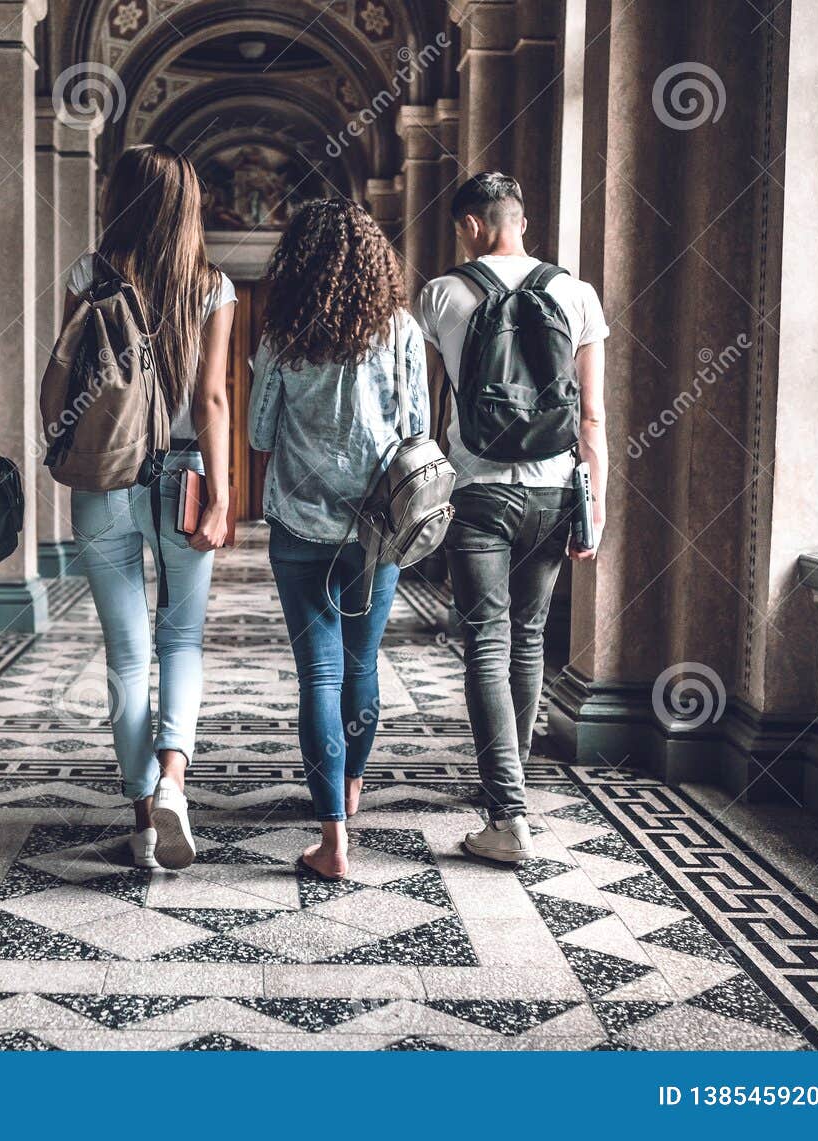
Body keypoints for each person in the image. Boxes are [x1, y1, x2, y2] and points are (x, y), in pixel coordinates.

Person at [416, 172, 610, 864]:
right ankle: (512, 787)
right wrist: (598, 506)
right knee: (528, 639)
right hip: (556, 489)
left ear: (471, 224)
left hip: (478, 492)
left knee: (487, 644)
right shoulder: (576, 293)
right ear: (521, 220)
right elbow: (592, 415)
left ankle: (508, 811)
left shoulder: (442, 294)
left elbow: (428, 406)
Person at [57, 145, 235, 871]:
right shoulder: (212, 285)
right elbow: (212, 398)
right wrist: (224, 496)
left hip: (104, 476)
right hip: (185, 472)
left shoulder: (86, 274)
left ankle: (140, 818)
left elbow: (69, 374)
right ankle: (174, 782)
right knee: (181, 640)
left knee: (127, 653)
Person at [250, 199, 428, 881]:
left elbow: (259, 434)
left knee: (318, 675)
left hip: (299, 526)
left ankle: (333, 836)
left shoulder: (282, 334)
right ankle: (350, 787)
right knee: (362, 665)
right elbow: (414, 428)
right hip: (378, 529)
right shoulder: (401, 329)